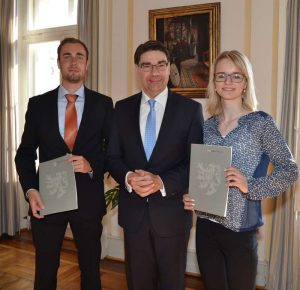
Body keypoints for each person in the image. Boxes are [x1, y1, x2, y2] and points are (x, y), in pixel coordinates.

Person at [183, 50, 299, 290]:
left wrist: (251, 185)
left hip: (240, 229)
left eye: (236, 76)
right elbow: (200, 171)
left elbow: (290, 170)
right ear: (213, 82)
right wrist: (192, 194)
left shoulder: (261, 123)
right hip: (206, 227)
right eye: (222, 76)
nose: (228, 82)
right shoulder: (207, 126)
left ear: (246, 83)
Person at [15, 37, 113, 290]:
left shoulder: (103, 104)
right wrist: (31, 190)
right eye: (67, 56)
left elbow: (112, 152)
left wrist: (91, 165)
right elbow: (25, 153)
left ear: (87, 63)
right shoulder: (38, 105)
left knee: (91, 270)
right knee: (45, 270)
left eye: (79, 56)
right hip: (47, 200)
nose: (73, 61)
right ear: (59, 62)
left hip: (88, 202)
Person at [106, 40, 204, 290]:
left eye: (161, 65)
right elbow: (113, 157)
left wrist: (161, 181)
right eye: (147, 66)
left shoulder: (190, 110)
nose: (154, 73)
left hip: (172, 215)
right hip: (134, 216)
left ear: (170, 67)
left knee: (172, 284)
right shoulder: (122, 108)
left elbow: (195, 162)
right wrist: (128, 177)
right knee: (137, 283)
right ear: (138, 69)